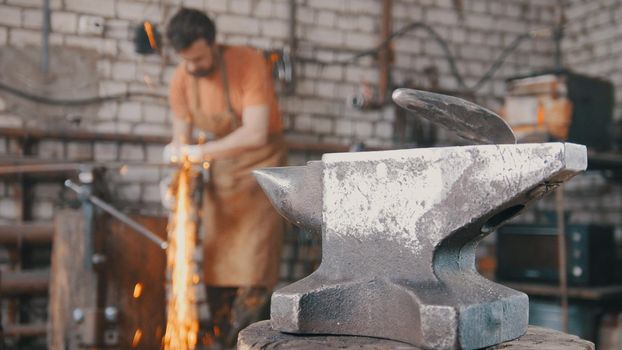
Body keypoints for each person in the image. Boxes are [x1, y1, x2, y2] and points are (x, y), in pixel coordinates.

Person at [164, 8, 286, 348]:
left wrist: (201, 154)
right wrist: (174, 175)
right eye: (186, 60)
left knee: (253, 274)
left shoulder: (247, 63)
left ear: (213, 44)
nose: (193, 67)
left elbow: (256, 132)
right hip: (222, 179)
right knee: (215, 271)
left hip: (261, 174)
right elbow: (181, 140)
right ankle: (216, 340)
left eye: (199, 58)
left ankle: (246, 342)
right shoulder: (181, 79)